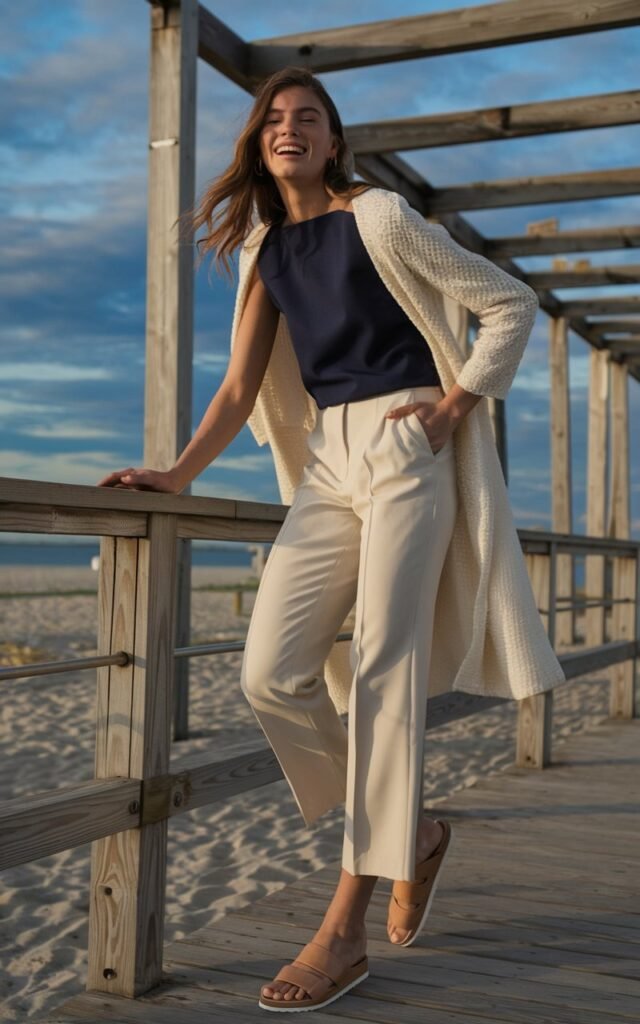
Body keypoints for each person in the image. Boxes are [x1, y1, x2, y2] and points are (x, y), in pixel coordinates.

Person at [98, 66, 565, 1013]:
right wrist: (176, 476)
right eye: (274, 117)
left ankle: (344, 927)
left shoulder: (380, 216)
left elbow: (510, 303)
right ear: (258, 142)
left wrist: (452, 409)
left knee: (385, 672)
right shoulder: (268, 248)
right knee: (270, 672)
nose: (289, 128)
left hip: (405, 440)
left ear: (333, 139)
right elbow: (240, 390)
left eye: (307, 116)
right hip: (325, 464)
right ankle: (412, 833)